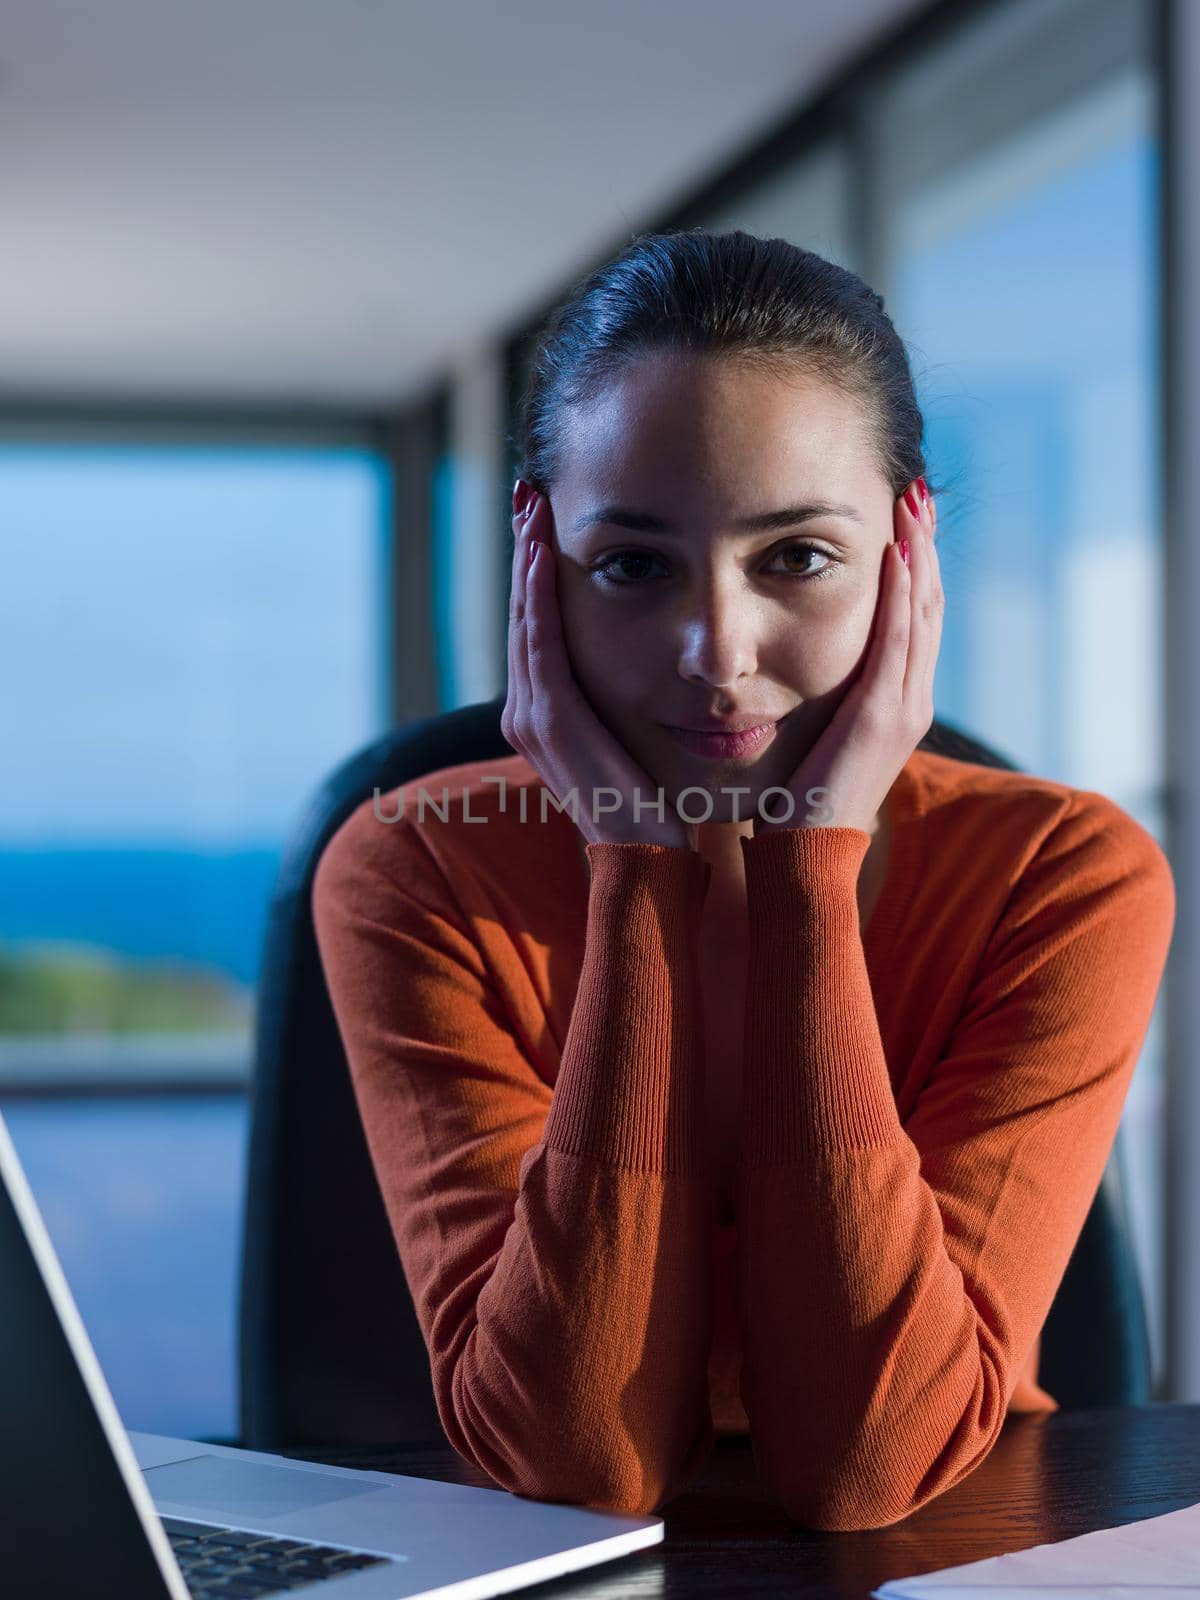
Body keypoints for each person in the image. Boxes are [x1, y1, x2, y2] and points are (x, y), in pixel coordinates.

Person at [311, 229, 1175, 1531]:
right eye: (635, 564)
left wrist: (807, 866)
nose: (716, 652)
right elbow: (579, 1462)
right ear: (537, 561)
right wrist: (633, 866)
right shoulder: (415, 868)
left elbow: (866, 1462)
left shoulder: (1060, 877)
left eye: (797, 557)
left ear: (908, 550)